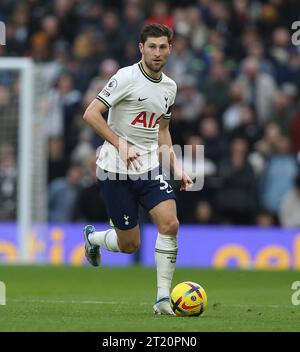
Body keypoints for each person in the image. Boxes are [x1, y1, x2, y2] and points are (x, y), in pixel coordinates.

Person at [82, 23, 193, 315]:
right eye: (152, 47)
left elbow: (163, 131)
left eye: (163, 47)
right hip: (114, 170)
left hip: (148, 167)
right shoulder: (125, 77)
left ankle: (162, 299)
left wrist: (177, 168)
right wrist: (120, 145)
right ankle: (93, 238)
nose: (158, 53)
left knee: (170, 224)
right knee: (129, 245)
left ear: (170, 49)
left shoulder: (170, 87)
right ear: (141, 48)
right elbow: (91, 113)